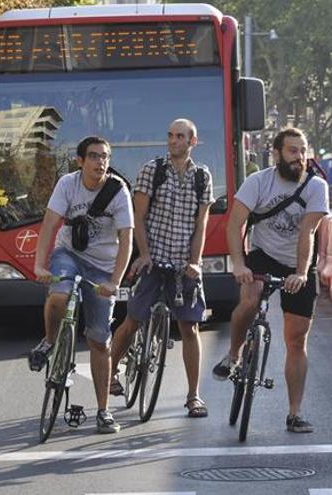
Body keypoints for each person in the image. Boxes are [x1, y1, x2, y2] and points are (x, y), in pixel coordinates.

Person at [212, 127, 329, 433]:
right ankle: (234, 353)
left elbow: (308, 233)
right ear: (276, 154)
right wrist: (238, 263)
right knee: (250, 298)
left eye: (303, 151)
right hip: (262, 254)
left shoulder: (316, 187)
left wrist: (302, 273)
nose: (299, 157)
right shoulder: (258, 181)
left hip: (298, 261)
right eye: (292, 151)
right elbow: (235, 223)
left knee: (296, 338)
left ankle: (294, 413)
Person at [28, 136, 133, 434]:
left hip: (102, 267)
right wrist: (39, 265)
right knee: (59, 295)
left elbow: (126, 238)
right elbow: (50, 223)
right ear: (80, 161)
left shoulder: (118, 191)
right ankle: (49, 342)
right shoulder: (67, 184)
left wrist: (114, 281)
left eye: (105, 156)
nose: (101, 162)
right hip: (69, 254)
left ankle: (103, 411)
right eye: (94, 156)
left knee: (100, 340)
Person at [108, 118, 213, 418]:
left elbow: (201, 225)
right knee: (133, 320)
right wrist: (143, 254)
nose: (173, 140)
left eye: (180, 136)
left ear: (192, 141)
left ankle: (194, 396)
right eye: (170, 135)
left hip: (183, 264)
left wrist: (196, 262)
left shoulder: (202, 177)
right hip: (152, 259)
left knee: (190, 327)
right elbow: (137, 217)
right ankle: (111, 373)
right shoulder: (152, 170)